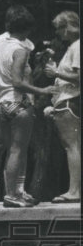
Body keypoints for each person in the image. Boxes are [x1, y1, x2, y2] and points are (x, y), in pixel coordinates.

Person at [0, 6, 54, 207]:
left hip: (2, 103)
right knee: (17, 150)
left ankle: (12, 192)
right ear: (27, 29)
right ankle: (12, 195)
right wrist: (43, 91)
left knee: (7, 149)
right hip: (19, 103)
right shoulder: (20, 50)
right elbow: (17, 82)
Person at [44, 11, 80, 203]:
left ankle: (75, 191)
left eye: (59, 28)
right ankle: (75, 189)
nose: (57, 33)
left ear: (68, 27)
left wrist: (57, 71)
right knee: (73, 146)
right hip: (65, 100)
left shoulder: (77, 47)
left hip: (70, 102)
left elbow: (79, 77)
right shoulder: (72, 47)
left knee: (72, 147)